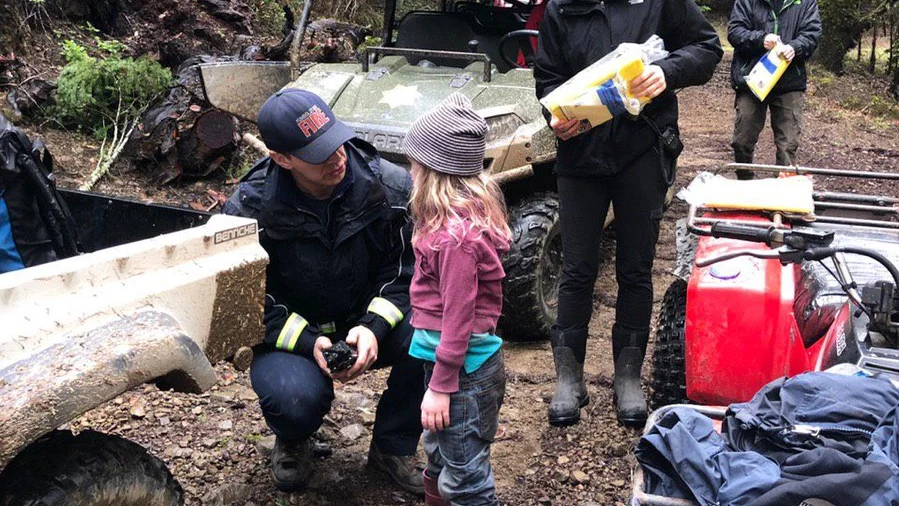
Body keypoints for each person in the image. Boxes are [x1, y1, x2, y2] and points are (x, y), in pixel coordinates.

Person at [223, 89, 425, 494]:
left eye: (337, 142)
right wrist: (308, 342)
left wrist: (373, 327)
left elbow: (407, 271)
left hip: (362, 317)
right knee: (293, 399)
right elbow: (241, 301)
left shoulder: (390, 185)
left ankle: (393, 445)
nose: (337, 158)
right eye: (318, 154)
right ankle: (295, 436)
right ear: (282, 158)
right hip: (292, 333)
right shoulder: (247, 209)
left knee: (432, 339)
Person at [534, 0, 722, 427]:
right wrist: (553, 115)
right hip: (580, 154)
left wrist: (667, 72)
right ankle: (568, 377)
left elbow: (707, 48)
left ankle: (628, 376)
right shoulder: (562, 8)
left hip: (643, 149)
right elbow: (547, 77)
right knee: (577, 268)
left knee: (635, 269)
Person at [403, 93, 511, 506]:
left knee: (465, 476)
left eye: (414, 163)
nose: (409, 170)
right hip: (451, 366)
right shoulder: (447, 227)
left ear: (433, 170)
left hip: (464, 373)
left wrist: (442, 384)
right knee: (439, 452)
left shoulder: (455, 241)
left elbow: (460, 316)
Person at [729, 0, 821, 179]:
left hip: (789, 82)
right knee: (742, 140)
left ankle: (782, 195)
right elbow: (734, 32)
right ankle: (744, 184)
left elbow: (812, 34)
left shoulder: (806, 3)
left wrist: (795, 47)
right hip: (752, 80)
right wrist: (761, 39)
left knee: (788, 144)